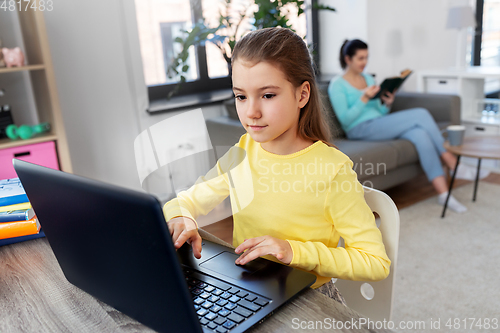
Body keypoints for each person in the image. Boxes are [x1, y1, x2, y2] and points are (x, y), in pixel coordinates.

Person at [163, 28, 391, 300]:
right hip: (250, 287)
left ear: (302, 95)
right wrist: (181, 216)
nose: (251, 112)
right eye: (241, 96)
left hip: (309, 298)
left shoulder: (333, 170)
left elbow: (376, 262)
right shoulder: (244, 151)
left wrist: (294, 251)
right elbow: (184, 200)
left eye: (268, 95)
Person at [328, 39, 481, 213]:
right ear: (348, 59)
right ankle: (452, 162)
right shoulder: (338, 85)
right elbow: (346, 120)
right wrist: (363, 98)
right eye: (360, 58)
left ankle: (444, 194)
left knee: (419, 134)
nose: (365, 62)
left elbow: (380, 112)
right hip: (358, 129)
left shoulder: (368, 78)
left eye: (367, 57)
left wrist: (387, 103)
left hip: (378, 124)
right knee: (421, 114)